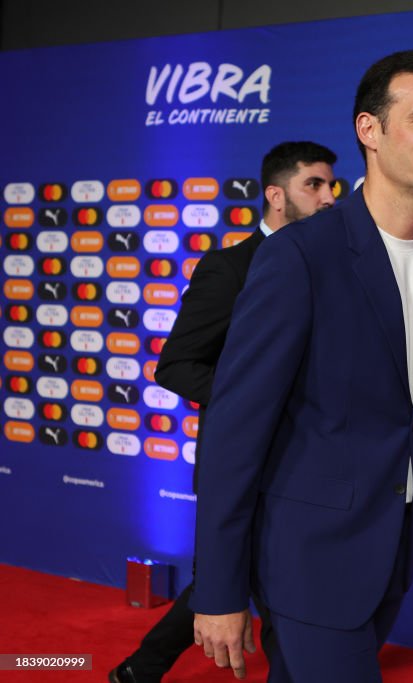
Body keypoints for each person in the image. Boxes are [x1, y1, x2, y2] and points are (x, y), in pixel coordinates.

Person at [190, 50, 413, 682]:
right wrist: (219, 590)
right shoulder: (299, 257)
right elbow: (234, 433)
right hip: (307, 561)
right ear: (370, 130)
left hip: (393, 552)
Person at [110, 141, 338, 683]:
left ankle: (143, 668)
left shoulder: (337, 269)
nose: (331, 197)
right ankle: (143, 667)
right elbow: (178, 365)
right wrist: (256, 401)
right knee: (238, 576)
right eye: (316, 185)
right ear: (276, 196)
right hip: (242, 460)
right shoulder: (230, 269)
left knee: (270, 577)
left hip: (313, 461)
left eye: (334, 186)